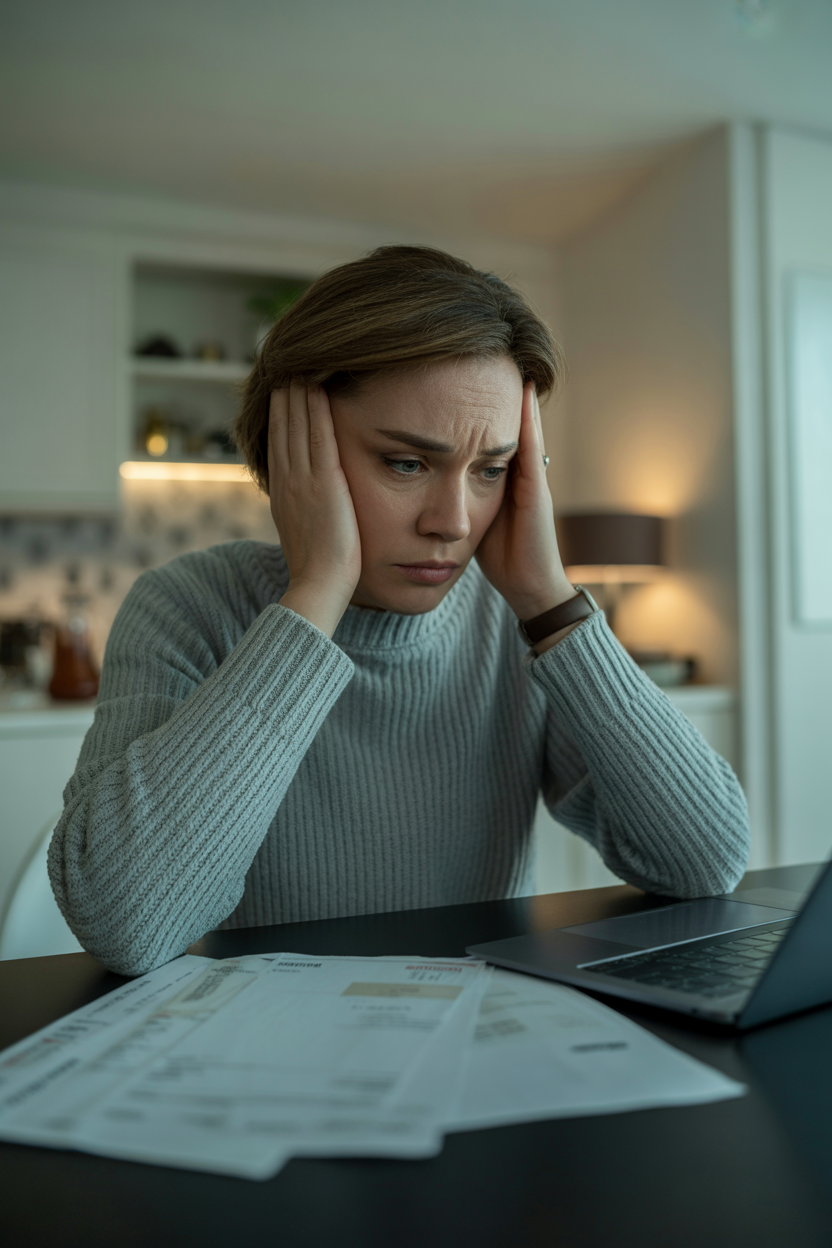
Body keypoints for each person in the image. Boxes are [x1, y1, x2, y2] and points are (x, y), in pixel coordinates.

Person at [48, 245, 750, 977]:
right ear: (291, 447)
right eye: (406, 463)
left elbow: (705, 865)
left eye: (490, 470)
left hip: (474, 1050)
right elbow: (124, 924)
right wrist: (317, 592)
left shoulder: (513, 624)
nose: (451, 521)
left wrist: (549, 601)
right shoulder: (187, 608)